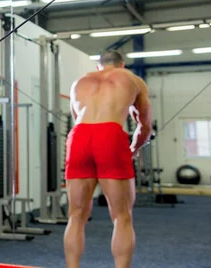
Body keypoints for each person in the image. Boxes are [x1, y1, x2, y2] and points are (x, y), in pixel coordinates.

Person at [64, 50, 153, 268]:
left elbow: (76, 117)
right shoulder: (132, 80)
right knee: (122, 216)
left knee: (76, 215)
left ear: (98, 67)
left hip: (79, 137)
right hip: (111, 135)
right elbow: (145, 127)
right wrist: (135, 146)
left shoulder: (79, 82)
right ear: (121, 65)